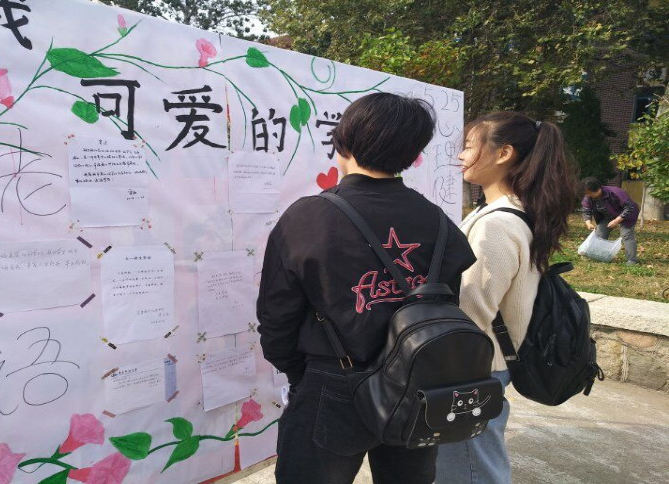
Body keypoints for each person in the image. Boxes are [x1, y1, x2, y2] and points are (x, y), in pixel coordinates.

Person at [256, 93, 476, 484]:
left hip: (334, 381)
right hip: (418, 382)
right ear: (414, 154)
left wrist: (301, 373)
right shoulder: (438, 221)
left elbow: (276, 318)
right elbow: (444, 308)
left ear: (342, 141)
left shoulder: (308, 217)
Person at [435, 112, 577, 483]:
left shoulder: (496, 223)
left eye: (469, 146)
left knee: (471, 469)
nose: (461, 155)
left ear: (503, 154)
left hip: (471, 366)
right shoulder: (510, 211)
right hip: (487, 362)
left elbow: (470, 311)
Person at [581, 176, 640, 265]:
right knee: (600, 234)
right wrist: (588, 222)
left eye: (590, 193)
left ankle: (632, 260)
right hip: (608, 215)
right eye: (587, 193)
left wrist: (617, 221)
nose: (588, 195)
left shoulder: (616, 192)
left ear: (598, 189)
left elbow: (629, 207)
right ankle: (598, 255)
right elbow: (586, 209)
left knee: (626, 235)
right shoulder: (589, 197)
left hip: (627, 214)